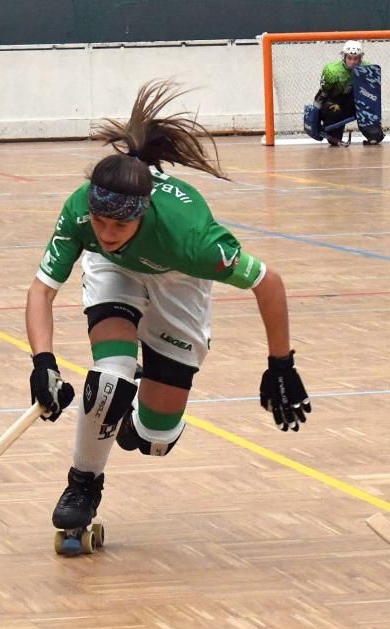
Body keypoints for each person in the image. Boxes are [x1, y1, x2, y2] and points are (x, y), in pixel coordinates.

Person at [25, 79, 312, 535]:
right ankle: (83, 483)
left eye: (119, 223)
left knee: (153, 440)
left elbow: (268, 283)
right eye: (99, 220)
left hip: (179, 284)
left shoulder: (193, 240)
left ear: (144, 211)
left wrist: (282, 364)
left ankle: (136, 411)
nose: (107, 231)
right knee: (107, 381)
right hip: (114, 273)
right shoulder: (85, 214)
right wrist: (42, 361)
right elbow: (42, 290)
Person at [315, 40, 384, 146]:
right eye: (349, 58)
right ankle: (332, 132)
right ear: (344, 57)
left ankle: (372, 132)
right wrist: (316, 116)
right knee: (335, 110)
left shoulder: (367, 69)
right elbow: (323, 94)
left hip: (354, 101)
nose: (353, 62)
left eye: (356, 58)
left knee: (375, 134)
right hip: (334, 101)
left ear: (360, 58)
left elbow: (371, 94)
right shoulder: (332, 70)